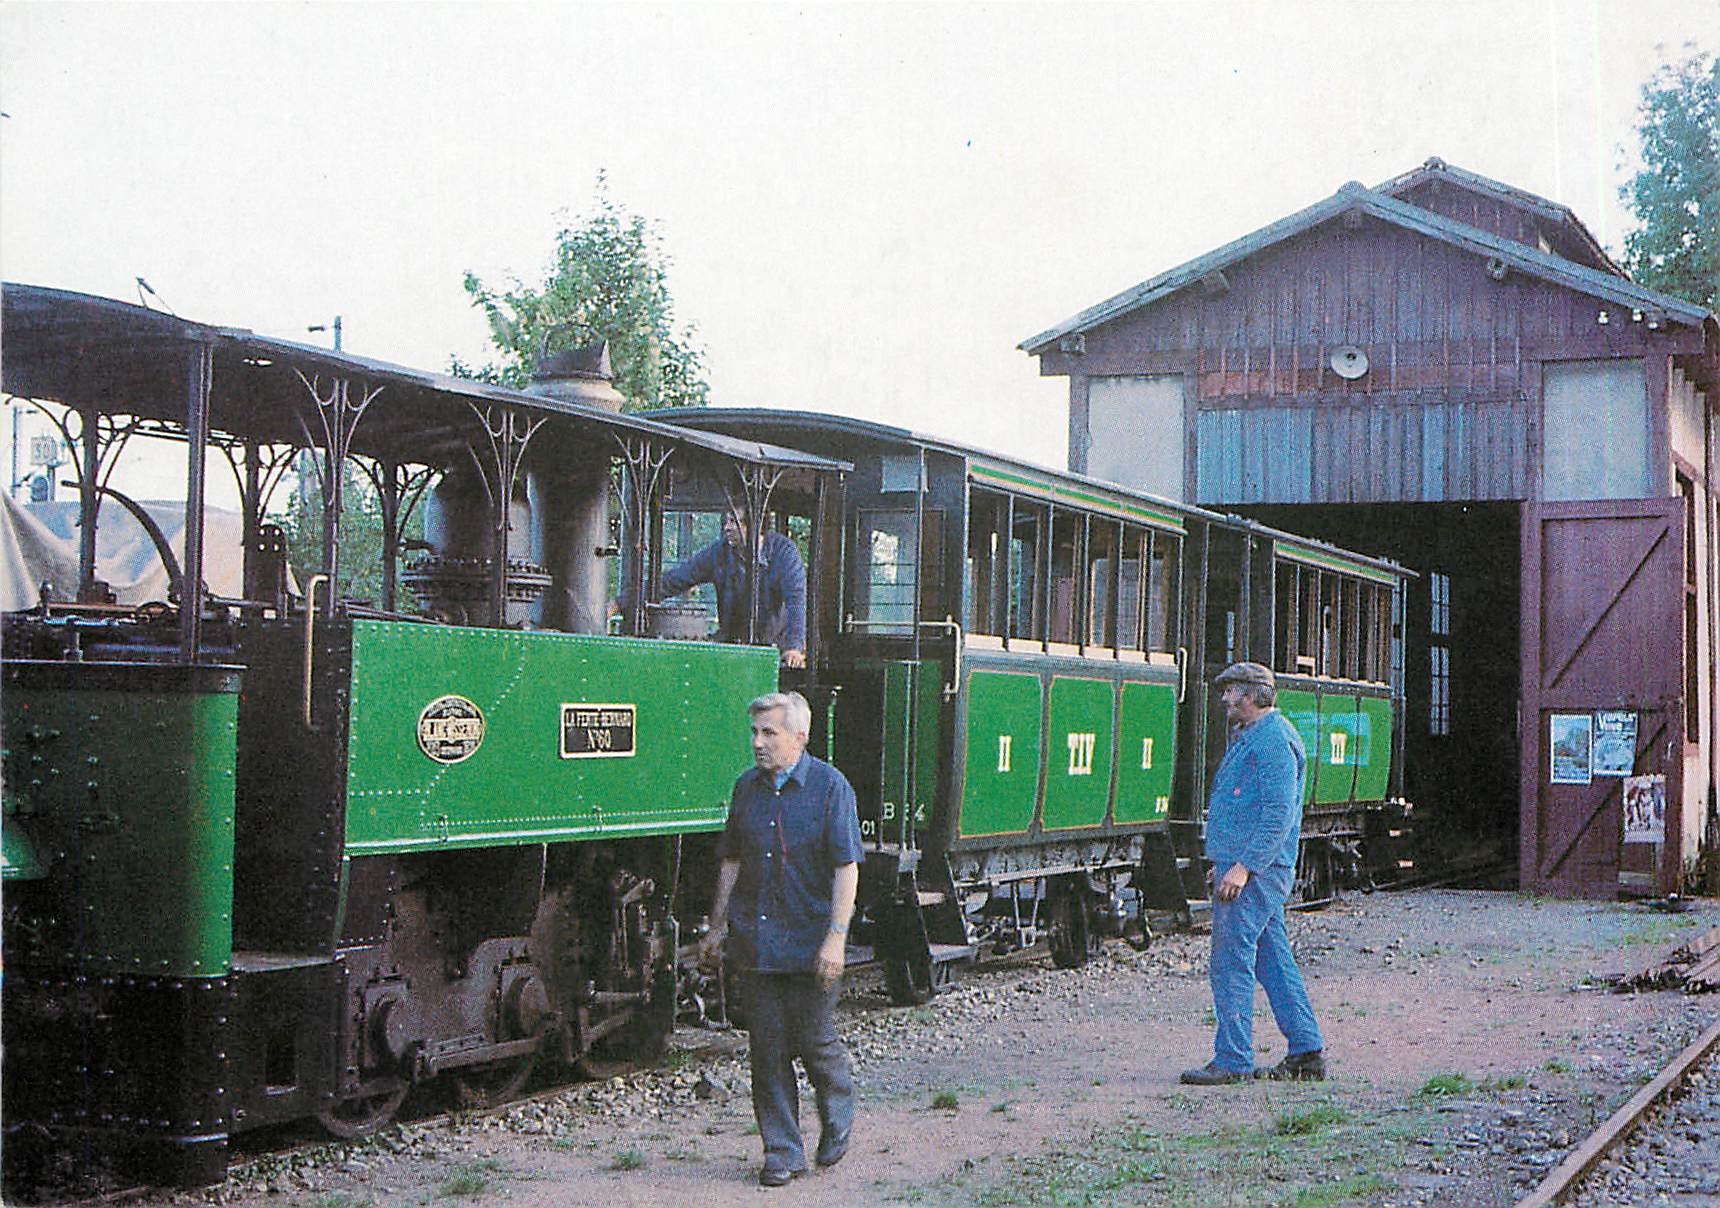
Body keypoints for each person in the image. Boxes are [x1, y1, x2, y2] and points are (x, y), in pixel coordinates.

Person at [699, 691, 863, 1186]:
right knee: (767, 1051)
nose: (757, 743)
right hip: (759, 942)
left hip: (811, 941)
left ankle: (837, 1111)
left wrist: (836, 939)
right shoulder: (746, 790)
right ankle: (783, 1152)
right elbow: (731, 861)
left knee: (814, 1040)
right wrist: (717, 925)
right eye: (754, 732)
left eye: (768, 732)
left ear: (799, 736)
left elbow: (846, 868)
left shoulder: (832, 789)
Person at [1180, 661, 1326, 1085]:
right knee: (1272, 960)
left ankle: (1233, 1060)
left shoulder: (1273, 741)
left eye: (1232, 691)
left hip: (1256, 870)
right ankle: (1306, 1050)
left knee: (1230, 961)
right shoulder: (1258, 737)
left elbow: (1278, 815)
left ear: (1252, 695)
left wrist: (1242, 869)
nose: (1225, 699)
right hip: (1250, 866)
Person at [660, 506, 807, 667]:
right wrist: (634, 597)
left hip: (774, 653)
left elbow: (796, 600)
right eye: (727, 521)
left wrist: (794, 648)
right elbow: (677, 578)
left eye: (734, 522)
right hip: (733, 649)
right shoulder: (720, 553)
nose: (727, 527)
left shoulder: (784, 553)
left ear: (754, 525)